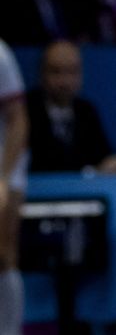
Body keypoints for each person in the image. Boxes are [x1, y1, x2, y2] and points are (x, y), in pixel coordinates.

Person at [25, 40, 116, 174]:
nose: (64, 81)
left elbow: (104, 157)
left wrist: (113, 164)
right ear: (41, 73)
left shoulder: (86, 111)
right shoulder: (25, 110)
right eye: (56, 71)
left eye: (72, 71)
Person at [0, 39, 28, 335]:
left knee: (3, 254)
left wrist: (4, 179)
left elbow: (18, 120)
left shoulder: (0, 55)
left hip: (4, 166)